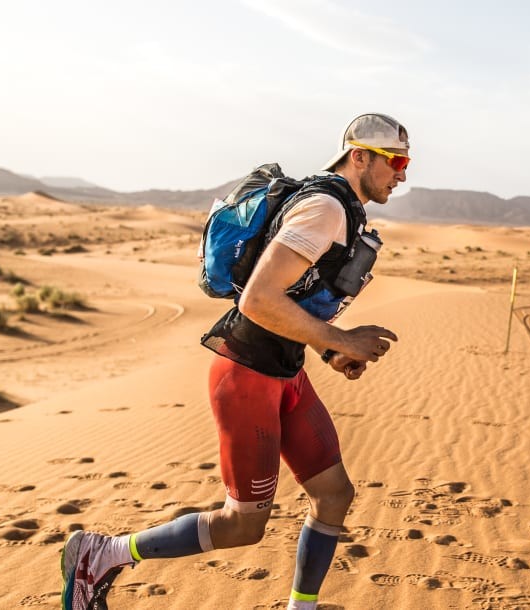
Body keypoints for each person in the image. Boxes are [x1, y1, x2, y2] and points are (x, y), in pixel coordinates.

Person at [61, 113, 411, 610]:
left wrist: (330, 350)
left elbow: (294, 295)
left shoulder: (340, 209)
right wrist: (341, 337)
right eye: (395, 162)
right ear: (359, 156)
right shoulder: (325, 209)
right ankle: (103, 554)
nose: (401, 175)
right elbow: (258, 299)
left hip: (284, 371)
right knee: (242, 525)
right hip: (247, 374)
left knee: (334, 494)